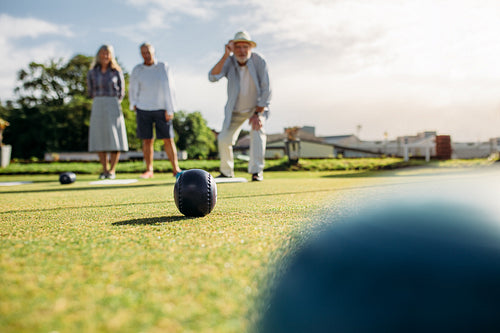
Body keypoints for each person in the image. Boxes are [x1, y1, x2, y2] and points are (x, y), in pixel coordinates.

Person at [209, 31, 271, 181]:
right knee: (223, 139)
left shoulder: (259, 61)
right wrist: (225, 55)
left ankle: (256, 171)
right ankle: (226, 172)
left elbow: (266, 88)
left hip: (255, 109)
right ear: (232, 48)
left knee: (257, 132)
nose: (242, 51)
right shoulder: (229, 61)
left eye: (245, 47)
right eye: (238, 47)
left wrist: (258, 113)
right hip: (234, 110)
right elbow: (212, 77)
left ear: (250, 48)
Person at [129, 43, 182, 179]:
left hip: (162, 108)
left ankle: (176, 169)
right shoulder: (137, 69)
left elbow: (170, 87)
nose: (146, 55)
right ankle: (149, 170)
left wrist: (170, 108)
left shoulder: (163, 67)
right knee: (147, 140)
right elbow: (133, 87)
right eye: (143, 52)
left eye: (148, 52)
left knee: (168, 139)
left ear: (153, 52)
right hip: (143, 108)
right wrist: (133, 103)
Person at [87, 44, 128, 179]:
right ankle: (104, 169)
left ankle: (112, 170)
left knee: (114, 136)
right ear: (99, 55)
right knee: (100, 137)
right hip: (98, 102)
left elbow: (121, 91)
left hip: (113, 103)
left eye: (107, 53)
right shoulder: (92, 72)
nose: (105, 56)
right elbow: (90, 90)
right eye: (103, 53)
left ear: (111, 55)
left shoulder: (116, 71)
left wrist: (113, 101)